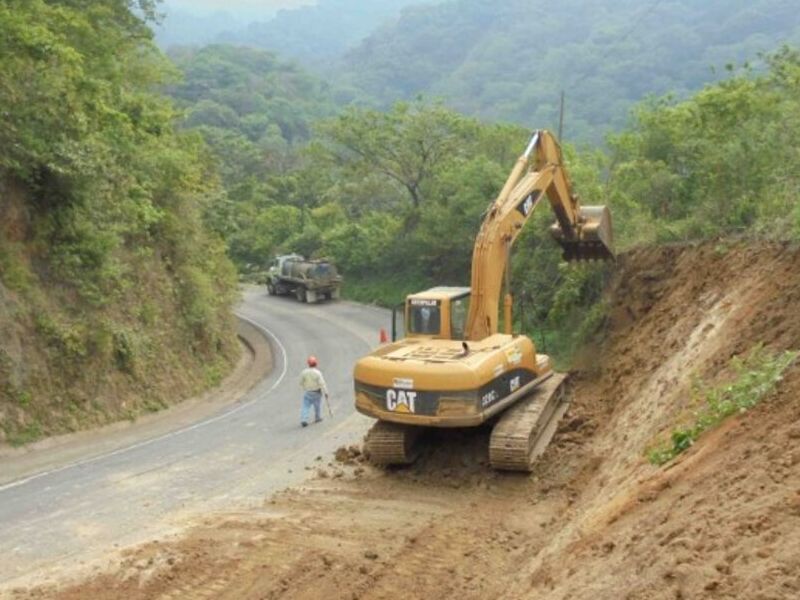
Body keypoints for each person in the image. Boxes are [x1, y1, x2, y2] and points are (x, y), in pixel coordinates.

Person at [299, 355, 329, 427]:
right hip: (316, 392)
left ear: (308, 363)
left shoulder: (304, 372)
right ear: (316, 363)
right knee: (317, 406)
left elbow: (300, 382)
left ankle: (304, 419)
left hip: (308, 392)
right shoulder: (317, 373)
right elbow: (322, 383)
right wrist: (326, 392)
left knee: (305, 406)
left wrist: (304, 388)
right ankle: (317, 417)